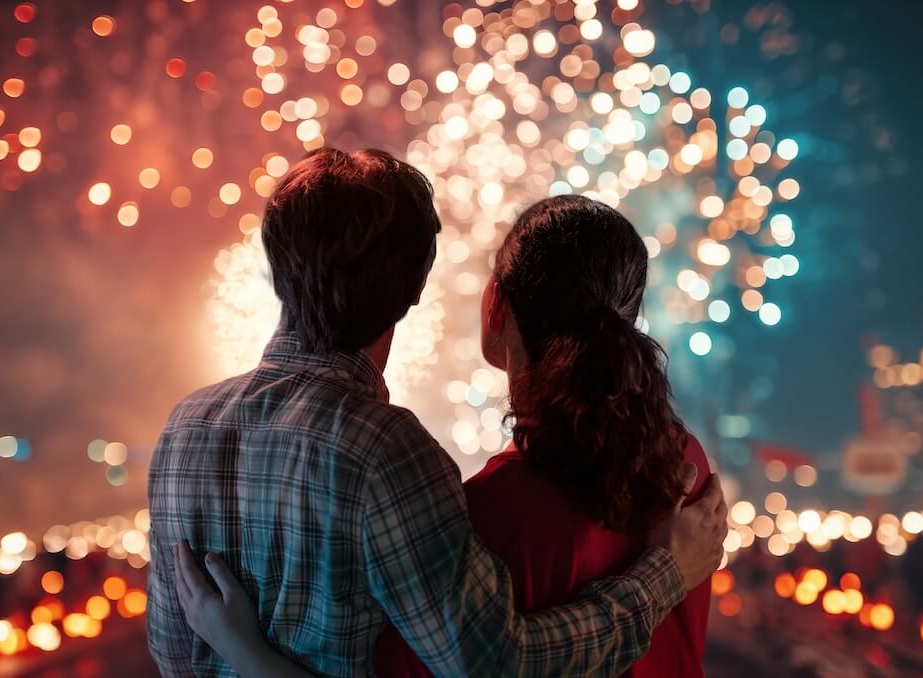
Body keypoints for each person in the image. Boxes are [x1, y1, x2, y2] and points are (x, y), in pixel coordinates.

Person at [148, 149, 728, 677]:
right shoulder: (682, 464)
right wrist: (664, 577)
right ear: (414, 290)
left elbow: (173, 654)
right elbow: (491, 665)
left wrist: (246, 653)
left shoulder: (184, 428)